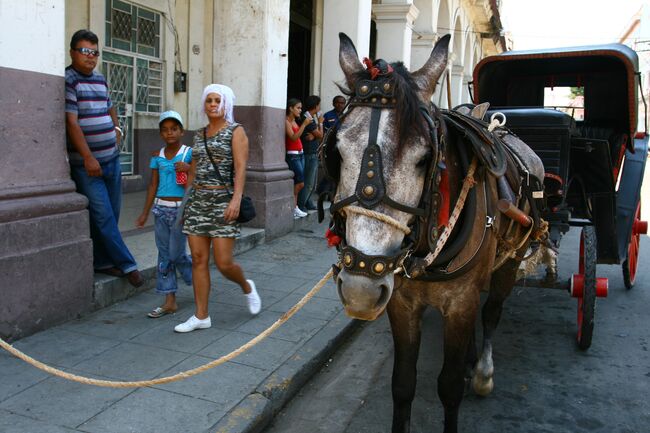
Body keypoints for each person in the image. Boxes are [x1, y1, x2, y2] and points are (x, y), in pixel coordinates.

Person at [175, 84, 261, 333]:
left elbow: (241, 167)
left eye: (217, 101)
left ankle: (247, 286)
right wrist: (185, 205)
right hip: (198, 203)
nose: (212, 104)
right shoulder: (199, 134)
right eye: (209, 100)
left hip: (223, 202)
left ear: (226, 105)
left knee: (224, 263)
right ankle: (201, 316)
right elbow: (194, 169)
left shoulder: (236, 131)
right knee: (199, 260)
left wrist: (236, 200)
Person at [65, 29, 143, 287]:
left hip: (112, 159)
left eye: (95, 52)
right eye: (85, 51)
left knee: (111, 214)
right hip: (88, 165)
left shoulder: (100, 79)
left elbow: (111, 106)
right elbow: (72, 123)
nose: (90, 57)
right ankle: (128, 264)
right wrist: (88, 157)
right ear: (73, 52)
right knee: (103, 216)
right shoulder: (69, 80)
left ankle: (102, 262)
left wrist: (117, 129)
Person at [136, 111, 193, 318]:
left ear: (181, 131)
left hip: (180, 210)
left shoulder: (188, 153)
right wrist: (144, 213)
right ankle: (170, 300)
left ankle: (195, 278)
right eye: (165, 130)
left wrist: (187, 168)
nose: (170, 133)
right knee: (164, 256)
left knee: (177, 253)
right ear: (161, 134)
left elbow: (197, 178)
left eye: (174, 129)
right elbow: (153, 185)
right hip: (160, 210)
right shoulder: (157, 157)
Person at [285, 98, 312, 218]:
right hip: (293, 155)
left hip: (300, 153)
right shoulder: (286, 121)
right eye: (298, 108)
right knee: (300, 183)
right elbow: (293, 137)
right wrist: (304, 125)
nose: (300, 110)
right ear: (291, 108)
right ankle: (292, 206)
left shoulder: (295, 121)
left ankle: (294, 208)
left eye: (301, 108)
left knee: (299, 182)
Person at [297, 95, 324, 212]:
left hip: (311, 152)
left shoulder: (309, 117)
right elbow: (321, 135)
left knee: (311, 181)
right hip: (309, 153)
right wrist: (321, 123)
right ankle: (302, 204)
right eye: (319, 105)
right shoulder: (307, 117)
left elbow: (316, 135)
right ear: (316, 105)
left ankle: (308, 202)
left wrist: (314, 135)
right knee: (309, 181)